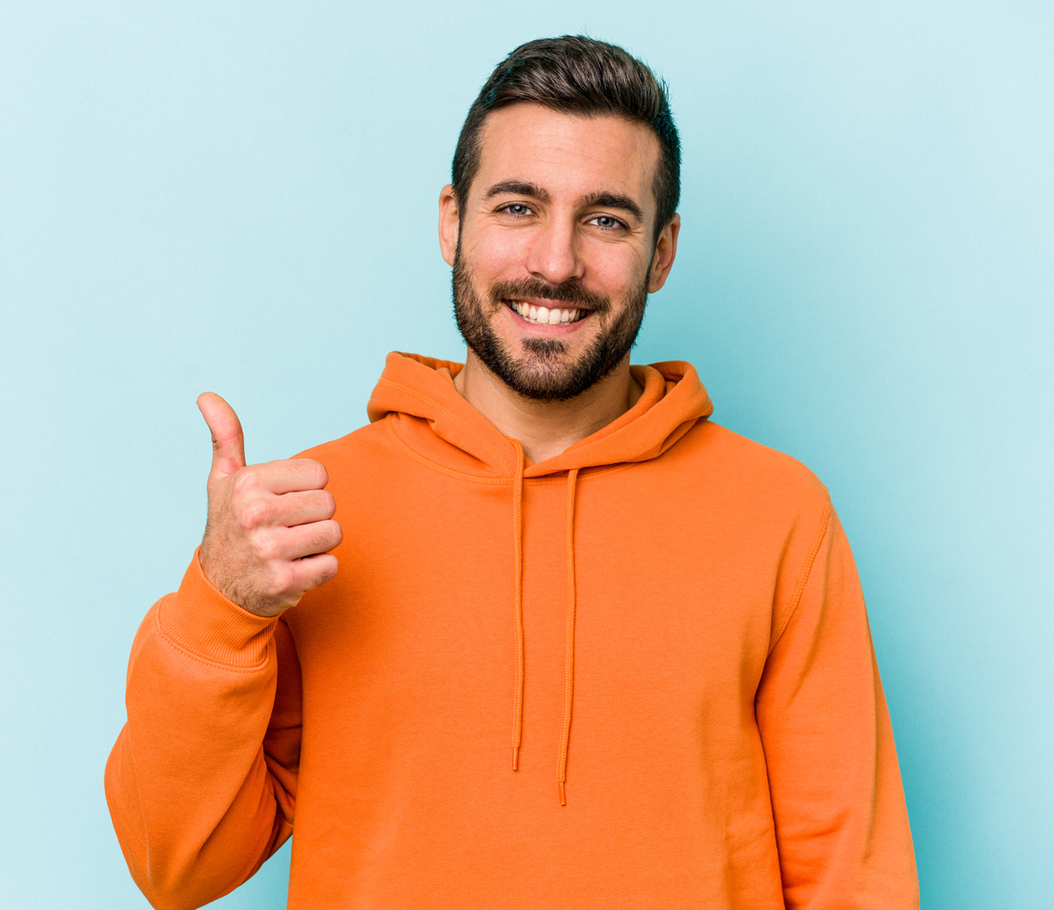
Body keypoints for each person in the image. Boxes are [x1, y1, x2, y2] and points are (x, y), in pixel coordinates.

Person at [105, 36, 919, 910]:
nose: (556, 262)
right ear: (453, 221)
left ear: (664, 250)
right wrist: (220, 603)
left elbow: (852, 877)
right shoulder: (308, 518)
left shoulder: (778, 516)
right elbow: (175, 865)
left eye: (607, 219)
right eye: (518, 207)